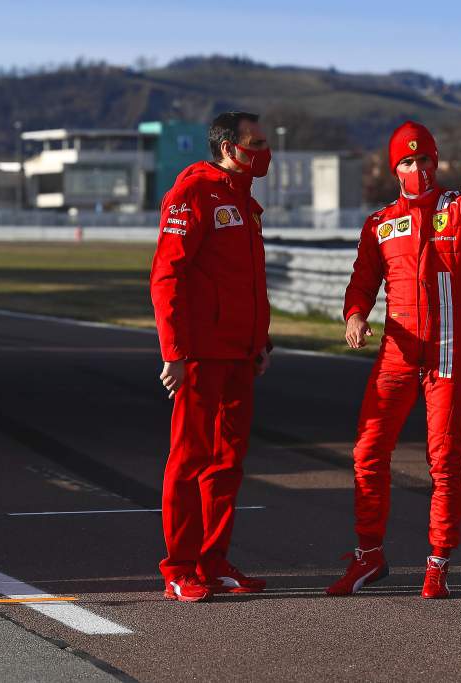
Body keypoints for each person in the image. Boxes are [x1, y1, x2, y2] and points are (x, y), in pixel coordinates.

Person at [326, 121, 461, 599]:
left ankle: (438, 562)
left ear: (437, 162)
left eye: (425, 160)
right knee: (368, 452)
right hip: (397, 351)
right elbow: (363, 280)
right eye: (408, 162)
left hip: (449, 353)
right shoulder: (379, 223)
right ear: (396, 170)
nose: (418, 169)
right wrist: (354, 316)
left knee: (445, 461)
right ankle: (368, 555)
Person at [150, 111, 274, 602]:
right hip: (199, 354)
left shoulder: (246, 202)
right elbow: (167, 276)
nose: (265, 152)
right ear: (228, 147)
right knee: (188, 460)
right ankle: (179, 567)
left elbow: (247, 284)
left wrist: (259, 341)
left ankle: (212, 560)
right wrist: (174, 351)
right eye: (256, 143)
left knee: (227, 463)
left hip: (240, 355)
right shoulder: (193, 192)